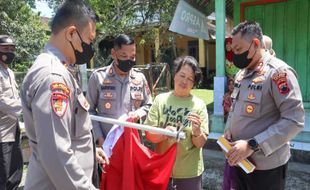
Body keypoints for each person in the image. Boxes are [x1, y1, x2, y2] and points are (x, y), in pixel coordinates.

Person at [20, 1, 108, 189]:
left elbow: (67, 134)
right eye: (89, 41)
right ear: (71, 33)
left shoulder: (61, 70)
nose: (90, 48)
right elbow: (55, 153)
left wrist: (91, 151)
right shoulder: (53, 77)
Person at [224, 21, 304, 190]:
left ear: (255, 44)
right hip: (240, 162)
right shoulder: (242, 73)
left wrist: (253, 144)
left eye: (238, 50)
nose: (235, 55)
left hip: (266, 168)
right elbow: (235, 107)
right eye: (233, 50)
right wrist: (229, 130)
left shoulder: (278, 73)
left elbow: (294, 120)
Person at [144, 56, 209, 190]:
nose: (184, 81)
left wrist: (197, 132)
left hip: (189, 173)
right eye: (182, 75)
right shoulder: (160, 100)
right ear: (175, 75)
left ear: (194, 83)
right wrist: (164, 134)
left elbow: (200, 143)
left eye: (190, 79)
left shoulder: (199, 105)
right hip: (162, 170)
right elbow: (149, 134)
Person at [87, 34, 152, 147]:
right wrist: (99, 138)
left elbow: (149, 105)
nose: (128, 60)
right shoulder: (98, 77)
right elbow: (89, 111)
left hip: (133, 145)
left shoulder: (139, 78)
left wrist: (138, 114)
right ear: (113, 53)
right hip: (107, 144)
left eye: (132, 57)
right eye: (123, 55)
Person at [0, 35, 23, 190]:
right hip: (2, 132)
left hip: (13, 128)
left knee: (15, 170)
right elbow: (1, 100)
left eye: (12, 49)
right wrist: (25, 107)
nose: (10, 52)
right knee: (3, 172)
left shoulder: (10, 72)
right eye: (5, 49)